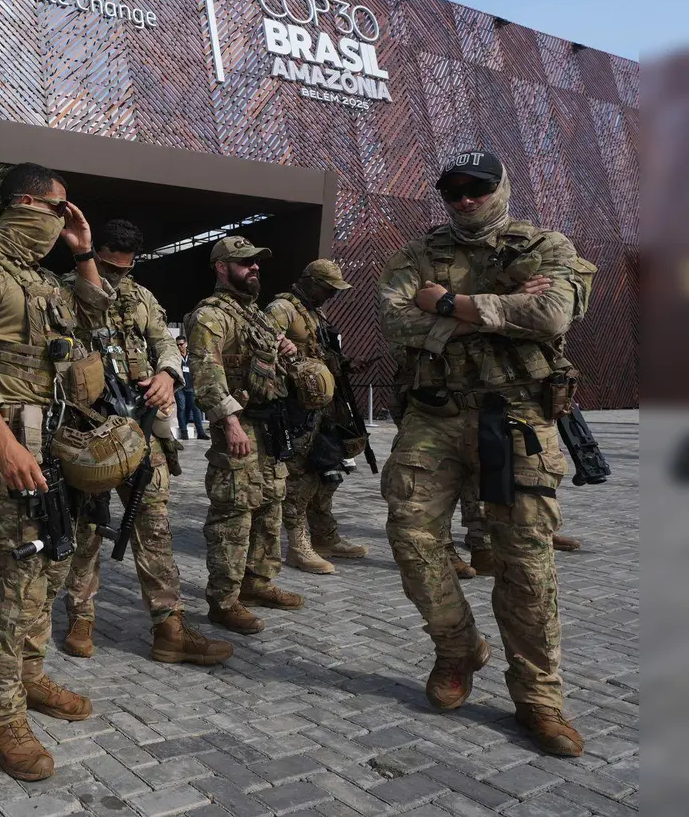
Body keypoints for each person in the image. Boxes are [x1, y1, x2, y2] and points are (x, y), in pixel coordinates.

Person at [378, 150, 594, 756]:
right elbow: (395, 326)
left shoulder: (548, 245)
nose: (465, 199)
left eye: (477, 187)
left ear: (501, 188)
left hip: (518, 414)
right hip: (435, 414)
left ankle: (539, 699)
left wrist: (445, 304)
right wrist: (503, 311)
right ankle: (457, 647)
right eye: (453, 190)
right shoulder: (416, 255)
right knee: (411, 537)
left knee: (525, 561)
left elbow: (551, 316)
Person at [0, 163, 112, 781]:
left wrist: (85, 252)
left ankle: (30, 675)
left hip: (57, 449)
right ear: (28, 206)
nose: (65, 221)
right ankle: (2, 710)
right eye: (60, 211)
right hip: (11, 455)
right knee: (14, 585)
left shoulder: (41, 278)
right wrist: (6, 446)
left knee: (53, 569)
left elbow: (97, 321)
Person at [57, 218, 232, 667]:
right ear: (93, 255)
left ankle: (169, 627)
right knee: (88, 526)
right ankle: (81, 617)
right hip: (86, 428)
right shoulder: (61, 290)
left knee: (153, 525)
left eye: (125, 270)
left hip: (141, 425)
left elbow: (166, 344)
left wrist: (168, 375)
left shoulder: (142, 298)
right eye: (108, 269)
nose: (117, 280)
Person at [184, 236, 305, 636]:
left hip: (271, 428)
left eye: (256, 262)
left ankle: (257, 582)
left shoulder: (257, 316)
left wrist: (286, 351)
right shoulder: (210, 316)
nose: (254, 267)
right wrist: (230, 423)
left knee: (270, 506)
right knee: (233, 514)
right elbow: (207, 373)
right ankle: (224, 600)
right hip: (241, 427)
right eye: (244, 262)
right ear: (221, 267)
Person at [266, 258, 368, 575]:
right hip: (297, 411)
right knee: (301, 476)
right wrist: (295, 366)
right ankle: (298, 546)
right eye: (328, 288)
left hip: (326, 407)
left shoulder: (315, 312)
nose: (332, 295)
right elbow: (262, 352)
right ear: (310, 281)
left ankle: (325, 535)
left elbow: (320, 353)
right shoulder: (281, 309)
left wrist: (344, 364)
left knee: (332, 470)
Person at [176, 338, 206, 439]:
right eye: (178, 345)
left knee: (196, 409)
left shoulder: (192, 356)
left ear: (186, 344)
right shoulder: (175, 356)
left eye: (181, 344)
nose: (179, 346)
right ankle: (184, 432)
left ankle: (201, 433)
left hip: (191, 386)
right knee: (181, 408)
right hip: (180, 387)